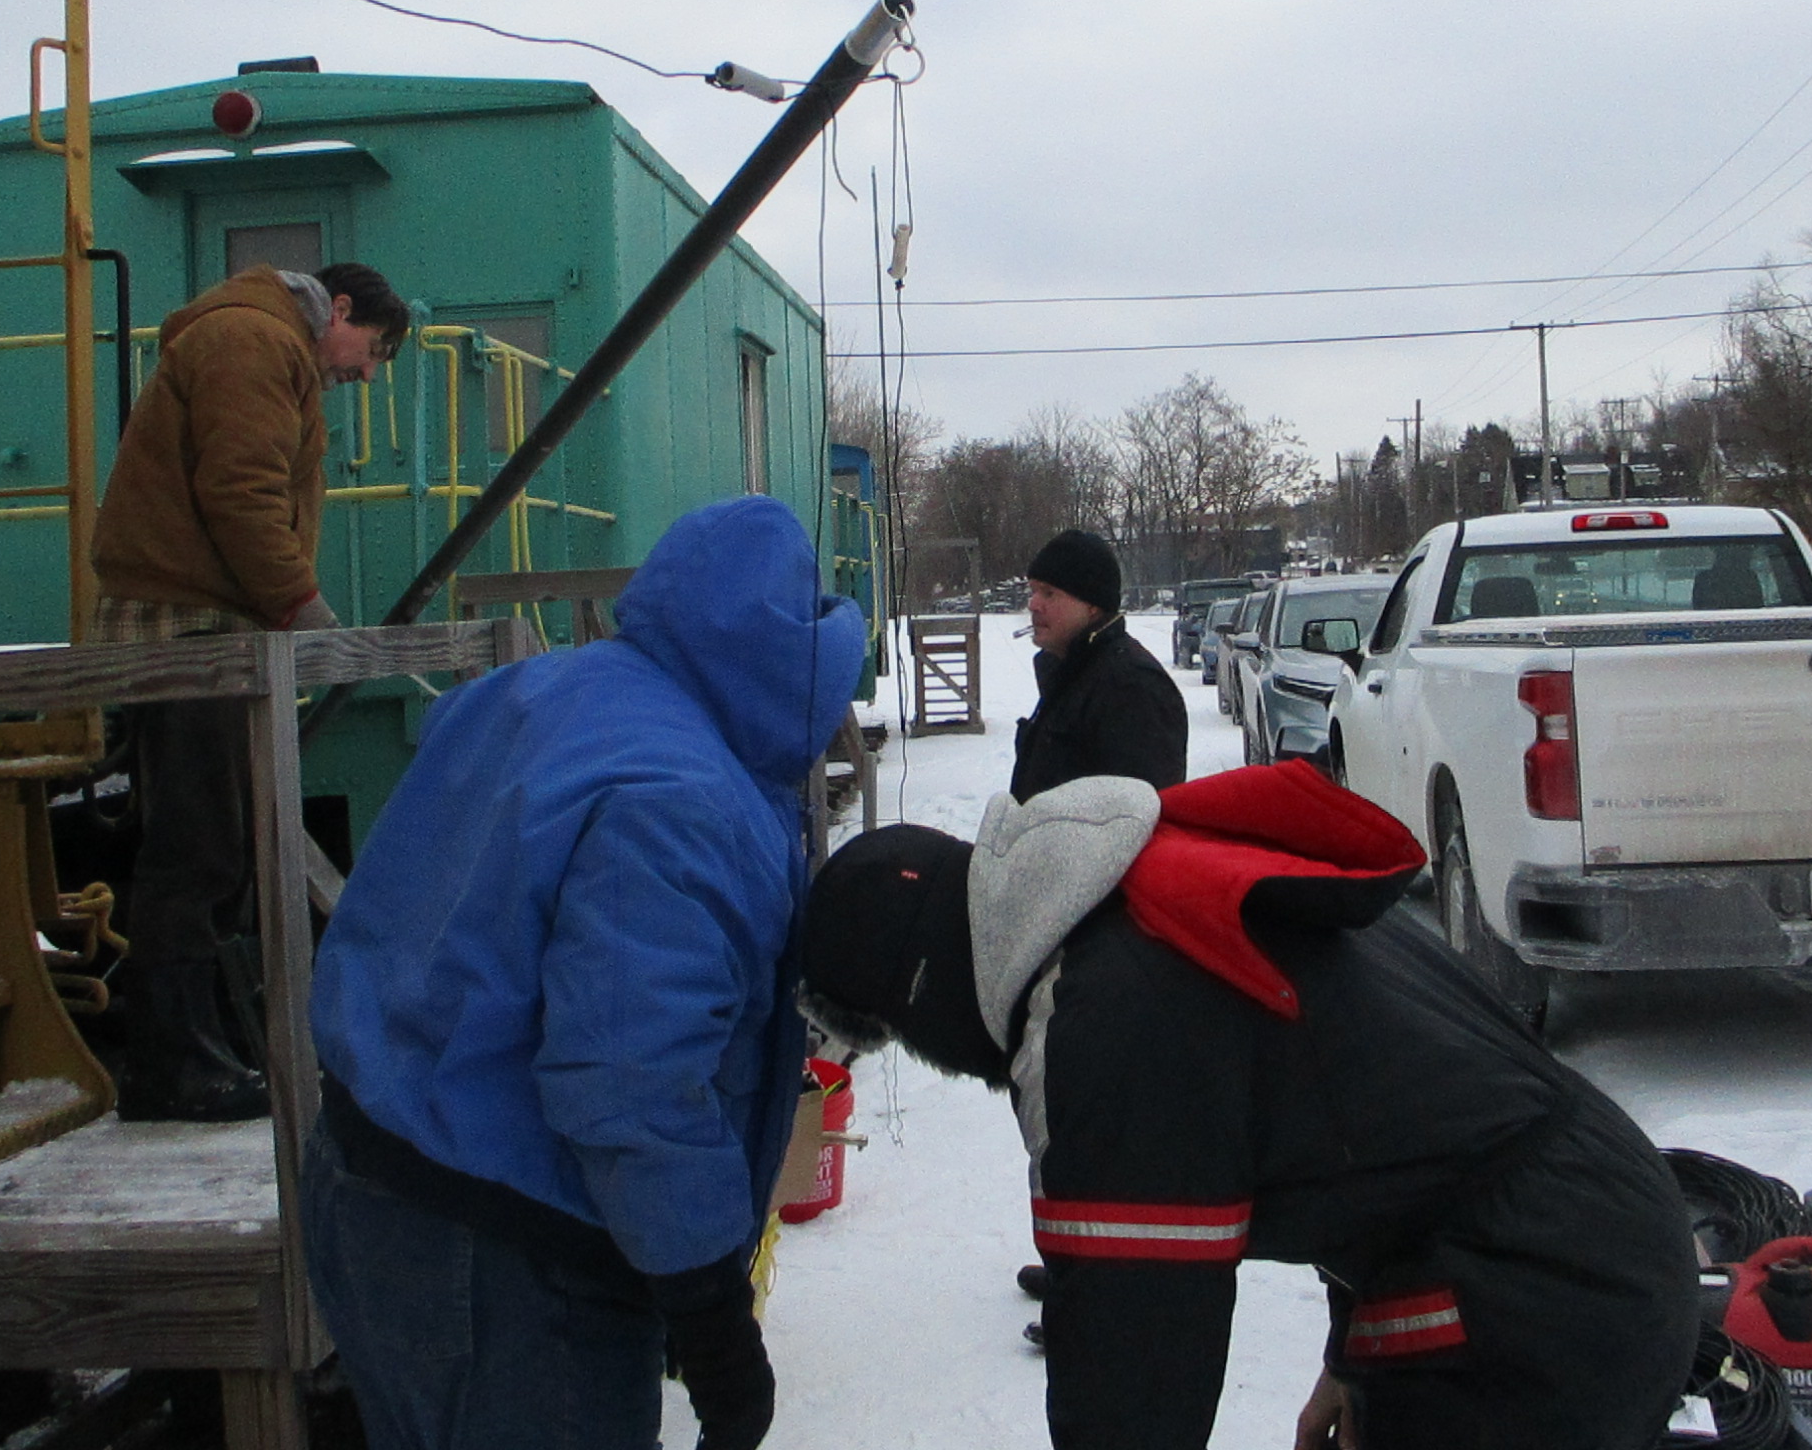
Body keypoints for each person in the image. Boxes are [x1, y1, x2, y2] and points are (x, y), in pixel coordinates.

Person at [800, 762, 1699, 1450]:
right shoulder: (1138, 888)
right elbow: (1384, 1118)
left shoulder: (1101, 1024)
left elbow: (1133, 1372)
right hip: (1571, 1230)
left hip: (1541, 1295)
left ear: (923, 997)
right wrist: (1356, 1354)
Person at [304, 496, 865, 1450]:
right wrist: (709, 1310)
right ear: (799, 658)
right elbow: (630, 1083)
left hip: (366, 1179)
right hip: (512, 1259)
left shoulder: (532, 692)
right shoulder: (685, 803)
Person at [91, 260, 409, 1121]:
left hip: (208, 623)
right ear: (336, 309)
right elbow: (239, 489)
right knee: (200, 844)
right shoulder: (256, 341)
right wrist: (302, 606)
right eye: (371, 349)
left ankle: (195, 1047)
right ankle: (170, 1067)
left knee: (215, 841)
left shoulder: (256, 340)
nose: (365, 372)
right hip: (189, 628)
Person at [1011, 529, 1188, 803]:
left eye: (1049, 593)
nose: (1033, 604)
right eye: (1033, 591)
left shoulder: (1131, 686)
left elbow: (1141, 817)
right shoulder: (1070, 672)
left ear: (1092, 606)